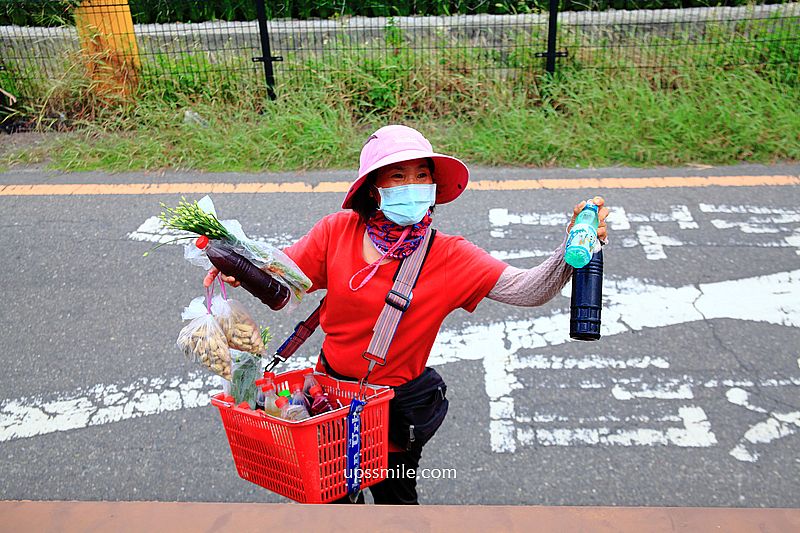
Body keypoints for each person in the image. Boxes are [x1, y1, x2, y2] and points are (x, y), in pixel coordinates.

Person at [204, 125, 610, 504]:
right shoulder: (336, 231)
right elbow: (284, 275)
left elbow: (529, 289)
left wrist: (572, 249)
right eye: (397, 176)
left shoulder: (450, 255)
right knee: (333, 502)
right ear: (373, 189)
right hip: (327, 402)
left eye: (421, 175)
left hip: (393, 413)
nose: (412, 186)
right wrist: (239, 266)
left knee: (395, 502)